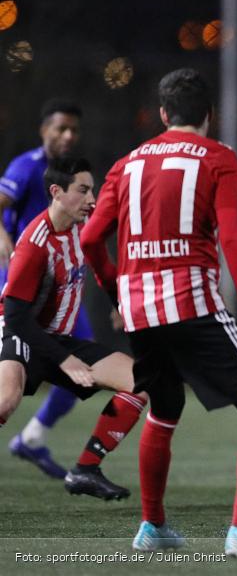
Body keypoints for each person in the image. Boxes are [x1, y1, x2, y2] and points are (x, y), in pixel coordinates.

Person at [81, 68, 237, 558]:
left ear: (162, 114)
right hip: (190, 301)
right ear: (209, 116)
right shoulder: (219, 158)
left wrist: (115, 289)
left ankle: (153, 526)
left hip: (139, 308)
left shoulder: (127, 163)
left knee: (163, 408)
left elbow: (92, 237)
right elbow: (233, 239)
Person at [0, 157, 146, 501]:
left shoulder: (85, 228)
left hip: (59, 340)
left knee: (141, 381)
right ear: (57, 192)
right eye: (83, 190)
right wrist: (65, 361)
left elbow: (103, 268)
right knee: (6, 402)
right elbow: (17, 315)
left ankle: (85, 470)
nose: (91, 199)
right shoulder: (35, 243)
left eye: (92, 190)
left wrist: (120, 304)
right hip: (19, 334)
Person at [2, 99, 97, 479]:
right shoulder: (25, 167)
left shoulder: (75, 175)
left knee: (82, 366)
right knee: (10, 390)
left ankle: (32, 437)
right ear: (44, 130)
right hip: (23, 289)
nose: (68, 135)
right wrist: (6, 239)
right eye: (61, 128)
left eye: (73, 129)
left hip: (59, 288)